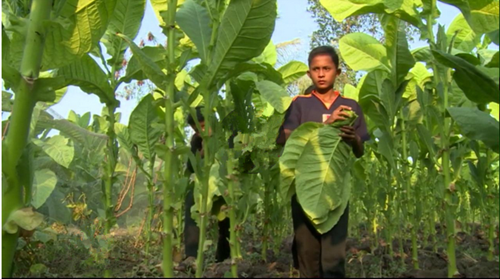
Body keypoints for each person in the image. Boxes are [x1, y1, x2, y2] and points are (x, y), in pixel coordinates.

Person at [277, 46, 370, 278]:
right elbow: (288, 138)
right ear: (309, 73)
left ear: (337, 73)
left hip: (335, 188)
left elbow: (359, 151)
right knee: (307, 254)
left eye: (326, 69)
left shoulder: (350, 106)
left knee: (333, 258)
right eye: (315, 69)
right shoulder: (299, 104)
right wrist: (327, 125)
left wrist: (355, 138)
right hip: (304, 186)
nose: (321, 74)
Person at [183, 106, 231, 263]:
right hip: (204, 186)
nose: (201, 132)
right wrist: (201, 154)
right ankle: (191, 255)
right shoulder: (197, 141)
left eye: (204, 126)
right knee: (191, 202)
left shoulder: (226, 137)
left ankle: (224, 257)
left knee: (226, 213)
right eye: (197, 130)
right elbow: (190, 167)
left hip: (224, 185)